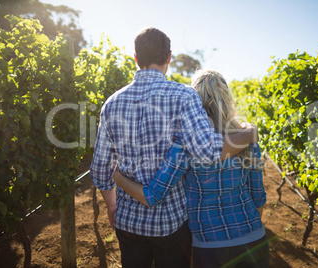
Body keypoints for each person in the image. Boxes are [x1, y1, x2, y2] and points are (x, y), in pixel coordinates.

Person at [90, 27, 258, 268]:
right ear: (168, 57)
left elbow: (99, 169)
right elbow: (208, 152)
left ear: (135, 58)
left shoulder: (111, 103)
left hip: (128, 223)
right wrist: (249, 134)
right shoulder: (185, 96)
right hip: (171, 226)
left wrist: (112, 205)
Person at [113, 69, 270, 268]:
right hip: (254, 240)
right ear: (226, 97)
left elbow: (152, 195)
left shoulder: (186, 142)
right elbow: (259, 198)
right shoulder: (247, 136)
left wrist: (117, 177)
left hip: (210, 247)